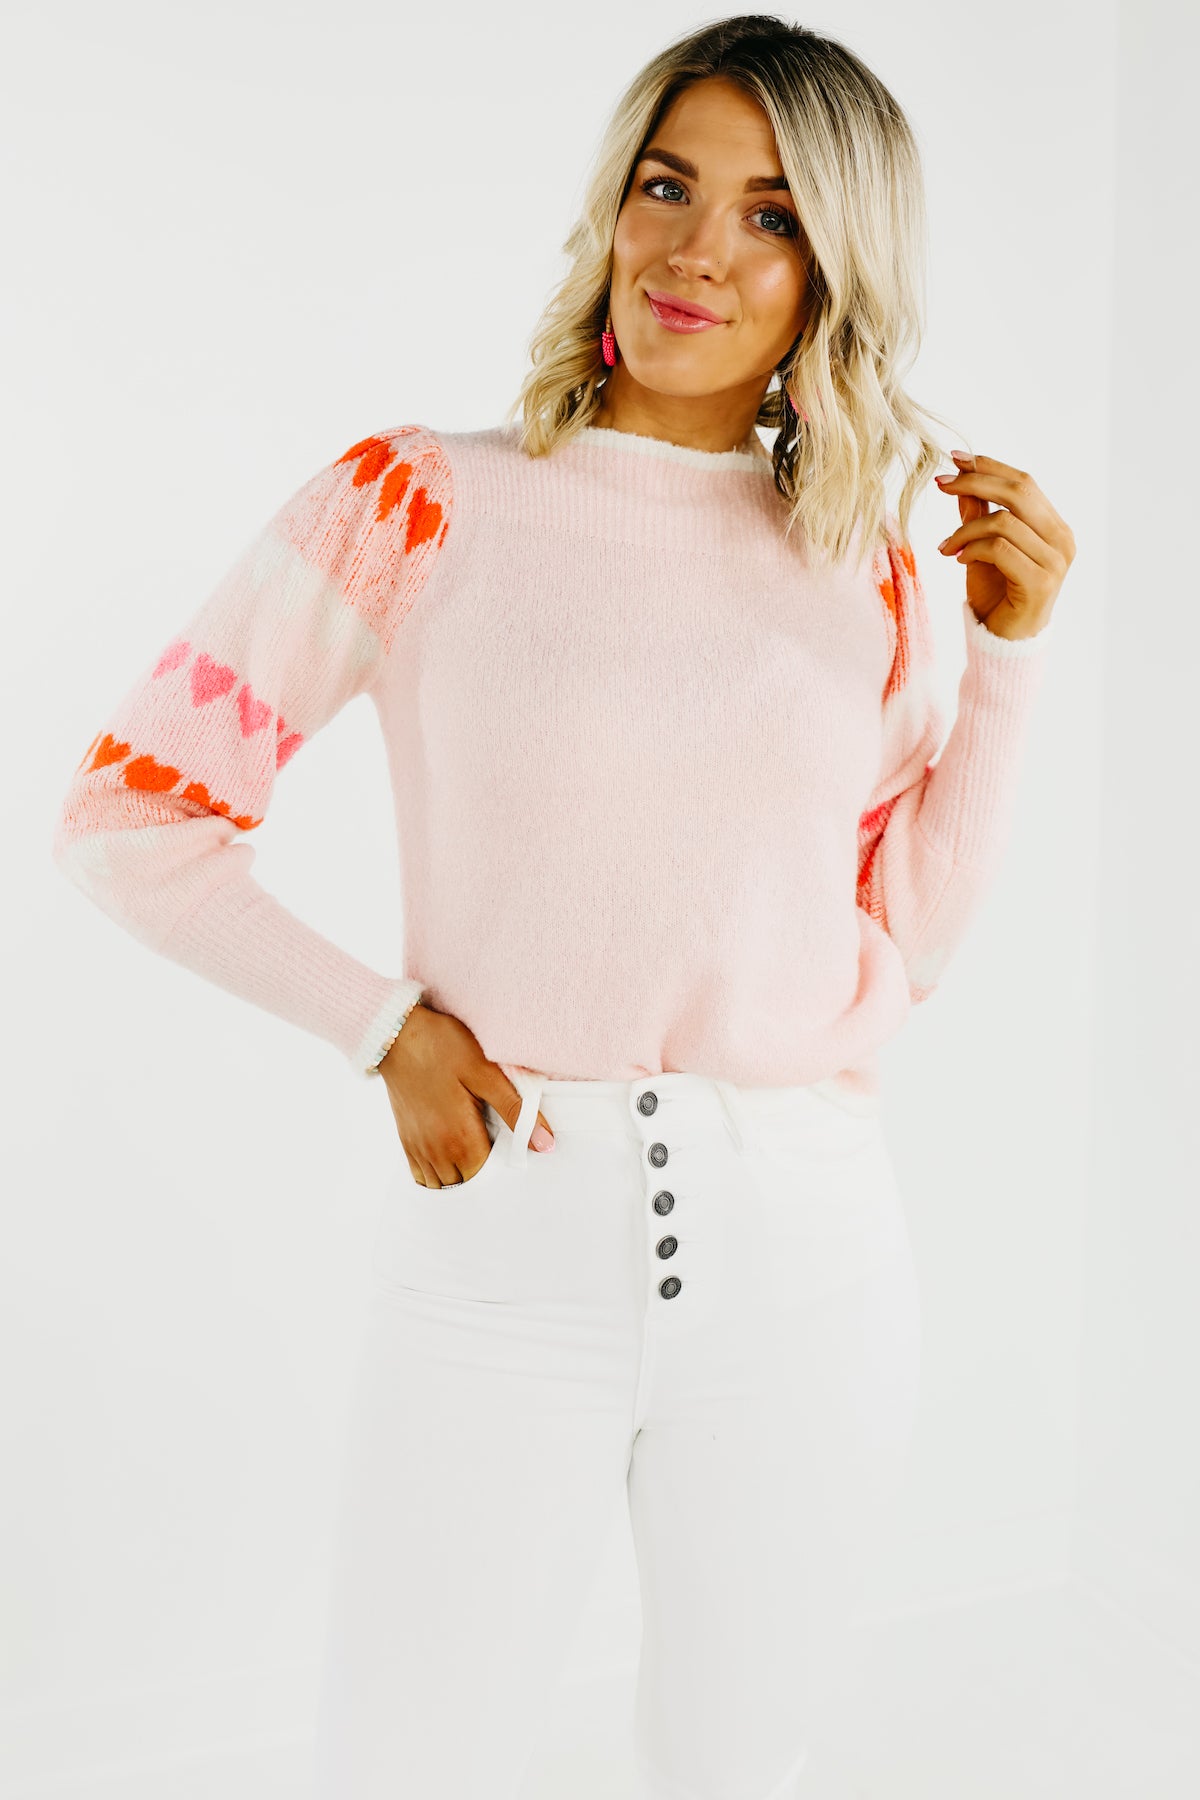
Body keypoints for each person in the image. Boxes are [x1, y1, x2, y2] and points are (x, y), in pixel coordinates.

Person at [51, 14, 1075, 1800]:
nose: (698, 250)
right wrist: (383, 1030)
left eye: (771, 215)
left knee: (738, 1764)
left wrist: (1008, 657)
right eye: (668, 186)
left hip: (811, 1251)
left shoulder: (874, 571)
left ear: (836, 271)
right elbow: (129, 817)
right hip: (504, 1258)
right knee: (405, 1759)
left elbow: (907, 940)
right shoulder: (419, 504)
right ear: (612, 203)